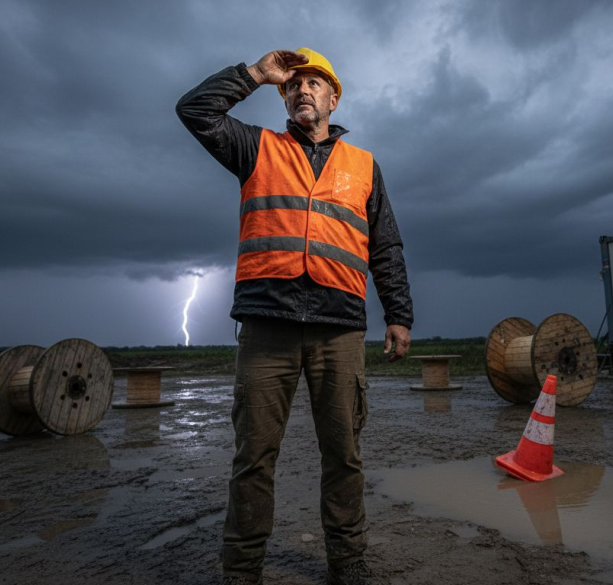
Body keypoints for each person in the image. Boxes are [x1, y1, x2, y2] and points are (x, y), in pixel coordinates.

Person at [176, 48, 413, 585]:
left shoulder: (365, 166)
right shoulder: (256, 148)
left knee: (343, 455)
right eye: (293, 84)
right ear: (282, 96)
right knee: (254, 457)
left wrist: (398, 314)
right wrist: (256, 74)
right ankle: (241, 570)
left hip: (339, 328)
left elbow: (386, 247)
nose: (302, 90)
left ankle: (347, 563)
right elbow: (194, 111)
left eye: (315, 83)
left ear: (334, 98)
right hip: (267, 326)